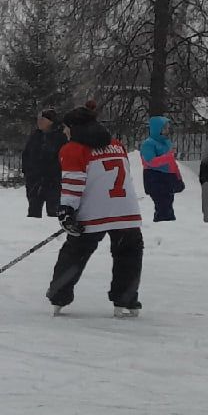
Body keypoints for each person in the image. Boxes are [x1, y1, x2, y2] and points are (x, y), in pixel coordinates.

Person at [47, 103, 143, 318]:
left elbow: (73, 184)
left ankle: (58, 295)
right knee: (129, 255)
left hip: (94, 213)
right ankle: (126, 299)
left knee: (74, 253)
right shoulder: (117, 145)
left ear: (73, 127)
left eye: (65, 127)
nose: (64, 131)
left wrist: (66, 211)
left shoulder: (73, 149)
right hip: (126, 211)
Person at [21, 109, 66, 218]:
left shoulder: (60, 136)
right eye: (38, 119)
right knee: (33, 209)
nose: (39, 122)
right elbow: (26, 154)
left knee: (53, 210)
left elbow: (61, 157)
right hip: (34, 179)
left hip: (53, 179)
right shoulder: (36, 136)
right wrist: (27, 171)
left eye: (42, 119)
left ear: (51, 121)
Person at [139, 115, 184, 222]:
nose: (167, 130)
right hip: (154, 178)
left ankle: (168, 227)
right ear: (157, 129)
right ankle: (162, 227)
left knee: (168, 204)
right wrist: (168, 157)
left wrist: (178, 177)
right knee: (162, 206)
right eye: (164, 128)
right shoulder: (148, 144)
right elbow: (150, 161)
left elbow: (172, 163)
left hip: (168, 178)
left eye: (168, 128)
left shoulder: (166, 142)